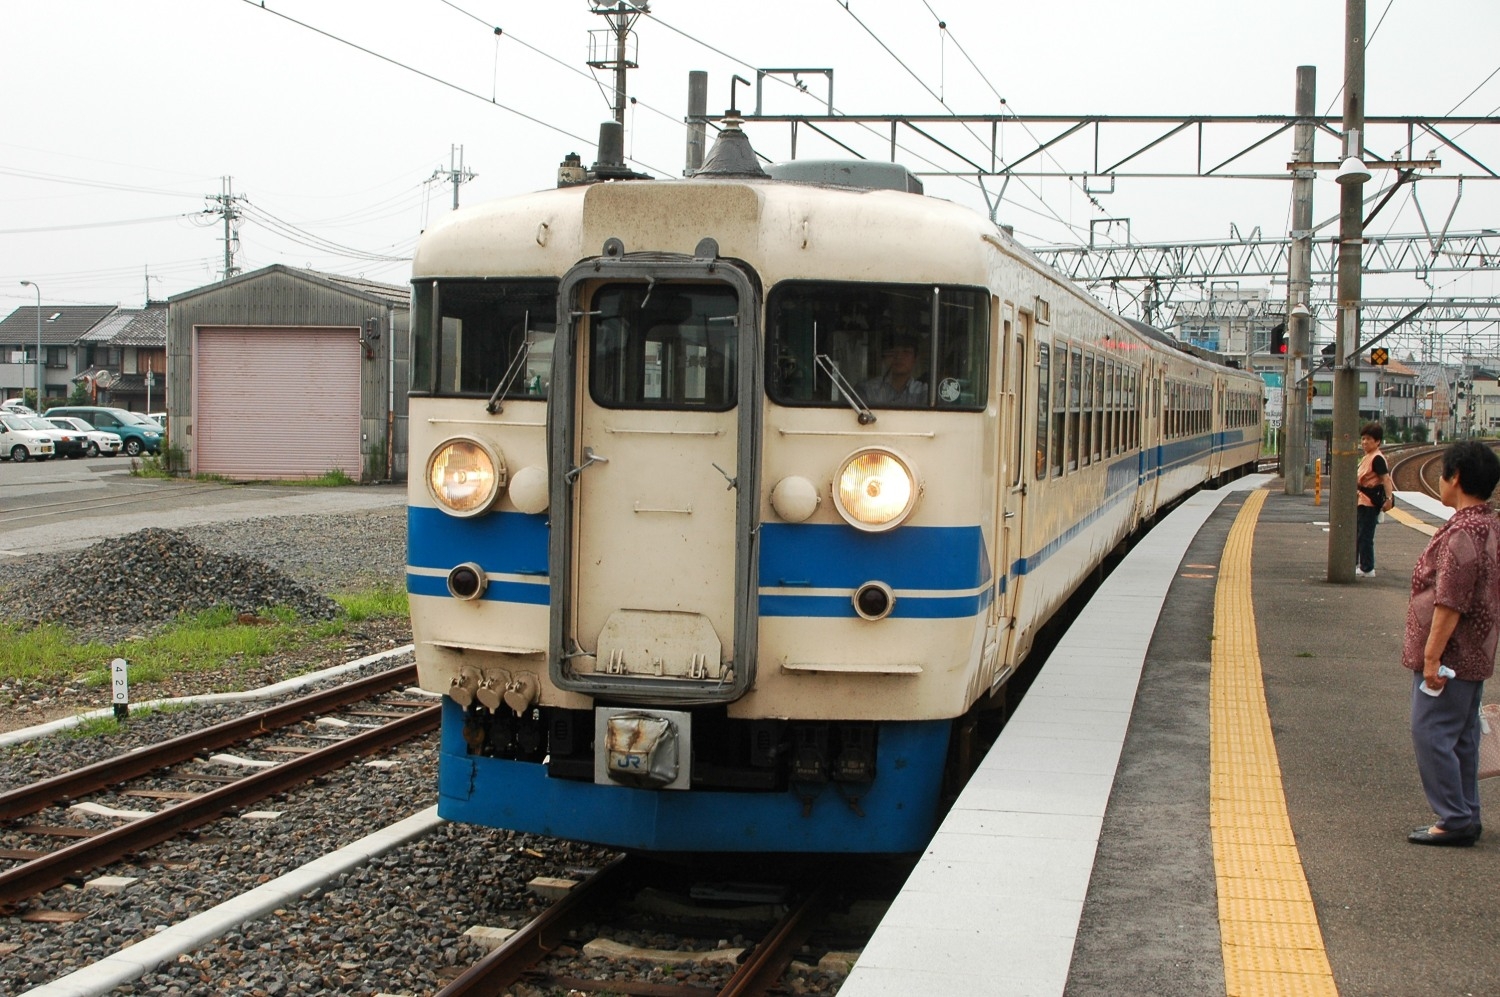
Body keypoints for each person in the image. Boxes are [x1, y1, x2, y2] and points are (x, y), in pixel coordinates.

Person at [1402, 440, 1500, 846]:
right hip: (1476, 651)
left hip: (1452, 655)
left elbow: (1450, 601)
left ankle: (1454, 818)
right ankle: (1466, 814)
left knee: (1431, 731)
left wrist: (1431, 656)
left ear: (1455, 477)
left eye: (1444, 474)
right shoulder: (1489, 523)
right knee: (1461, 737)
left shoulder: (1463, 531)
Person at [1355, 422, 1395, 576]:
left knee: (1365, 535)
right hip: (1362, 501)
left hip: (1369, 503)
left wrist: (1389, 498)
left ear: (1377, 441)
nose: (1364, 442)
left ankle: (1367, 567)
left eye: (1368, 439)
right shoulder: (1368, 457)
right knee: (1359, 534)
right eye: (1363, 438)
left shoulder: (1377, 458)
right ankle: (1361, 565)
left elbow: (1385, 479)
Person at [861, 335, 927, 405]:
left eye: (906, 352)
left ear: (915, 359)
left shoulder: (924, 392)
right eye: (892, 352)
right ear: (884, 358)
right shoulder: (867, 390)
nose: (898, 357)